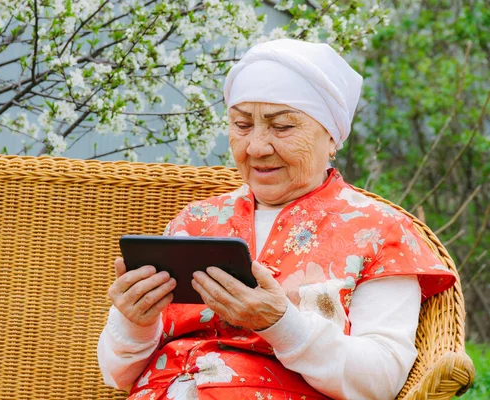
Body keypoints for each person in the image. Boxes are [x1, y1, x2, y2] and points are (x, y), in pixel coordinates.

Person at [97, 39, 456, 400]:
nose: (256, 147)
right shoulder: (195, 221)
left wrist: (281, 324)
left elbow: (381, 380)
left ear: (331, 136)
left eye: (282, 127)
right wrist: (135, 322)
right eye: (241, 124)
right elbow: (117, 374)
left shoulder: (380, 231)